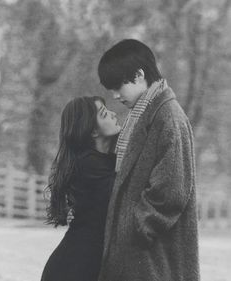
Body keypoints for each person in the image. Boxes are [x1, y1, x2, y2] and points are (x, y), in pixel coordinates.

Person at [97, 39, 200, 281]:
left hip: (153, 255)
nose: (114, 95)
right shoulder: (142, 114)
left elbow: (171, 189)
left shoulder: (169, 116)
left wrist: (136, 226)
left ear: (139, 74)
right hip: (138, 254)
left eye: (118, 85)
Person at [40, 96, 121, 281]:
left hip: (80, 264)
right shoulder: (87, 165)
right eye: (104, 114)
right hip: (72, 270)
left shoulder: (102, 162)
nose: (113, 114)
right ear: (93, 130)